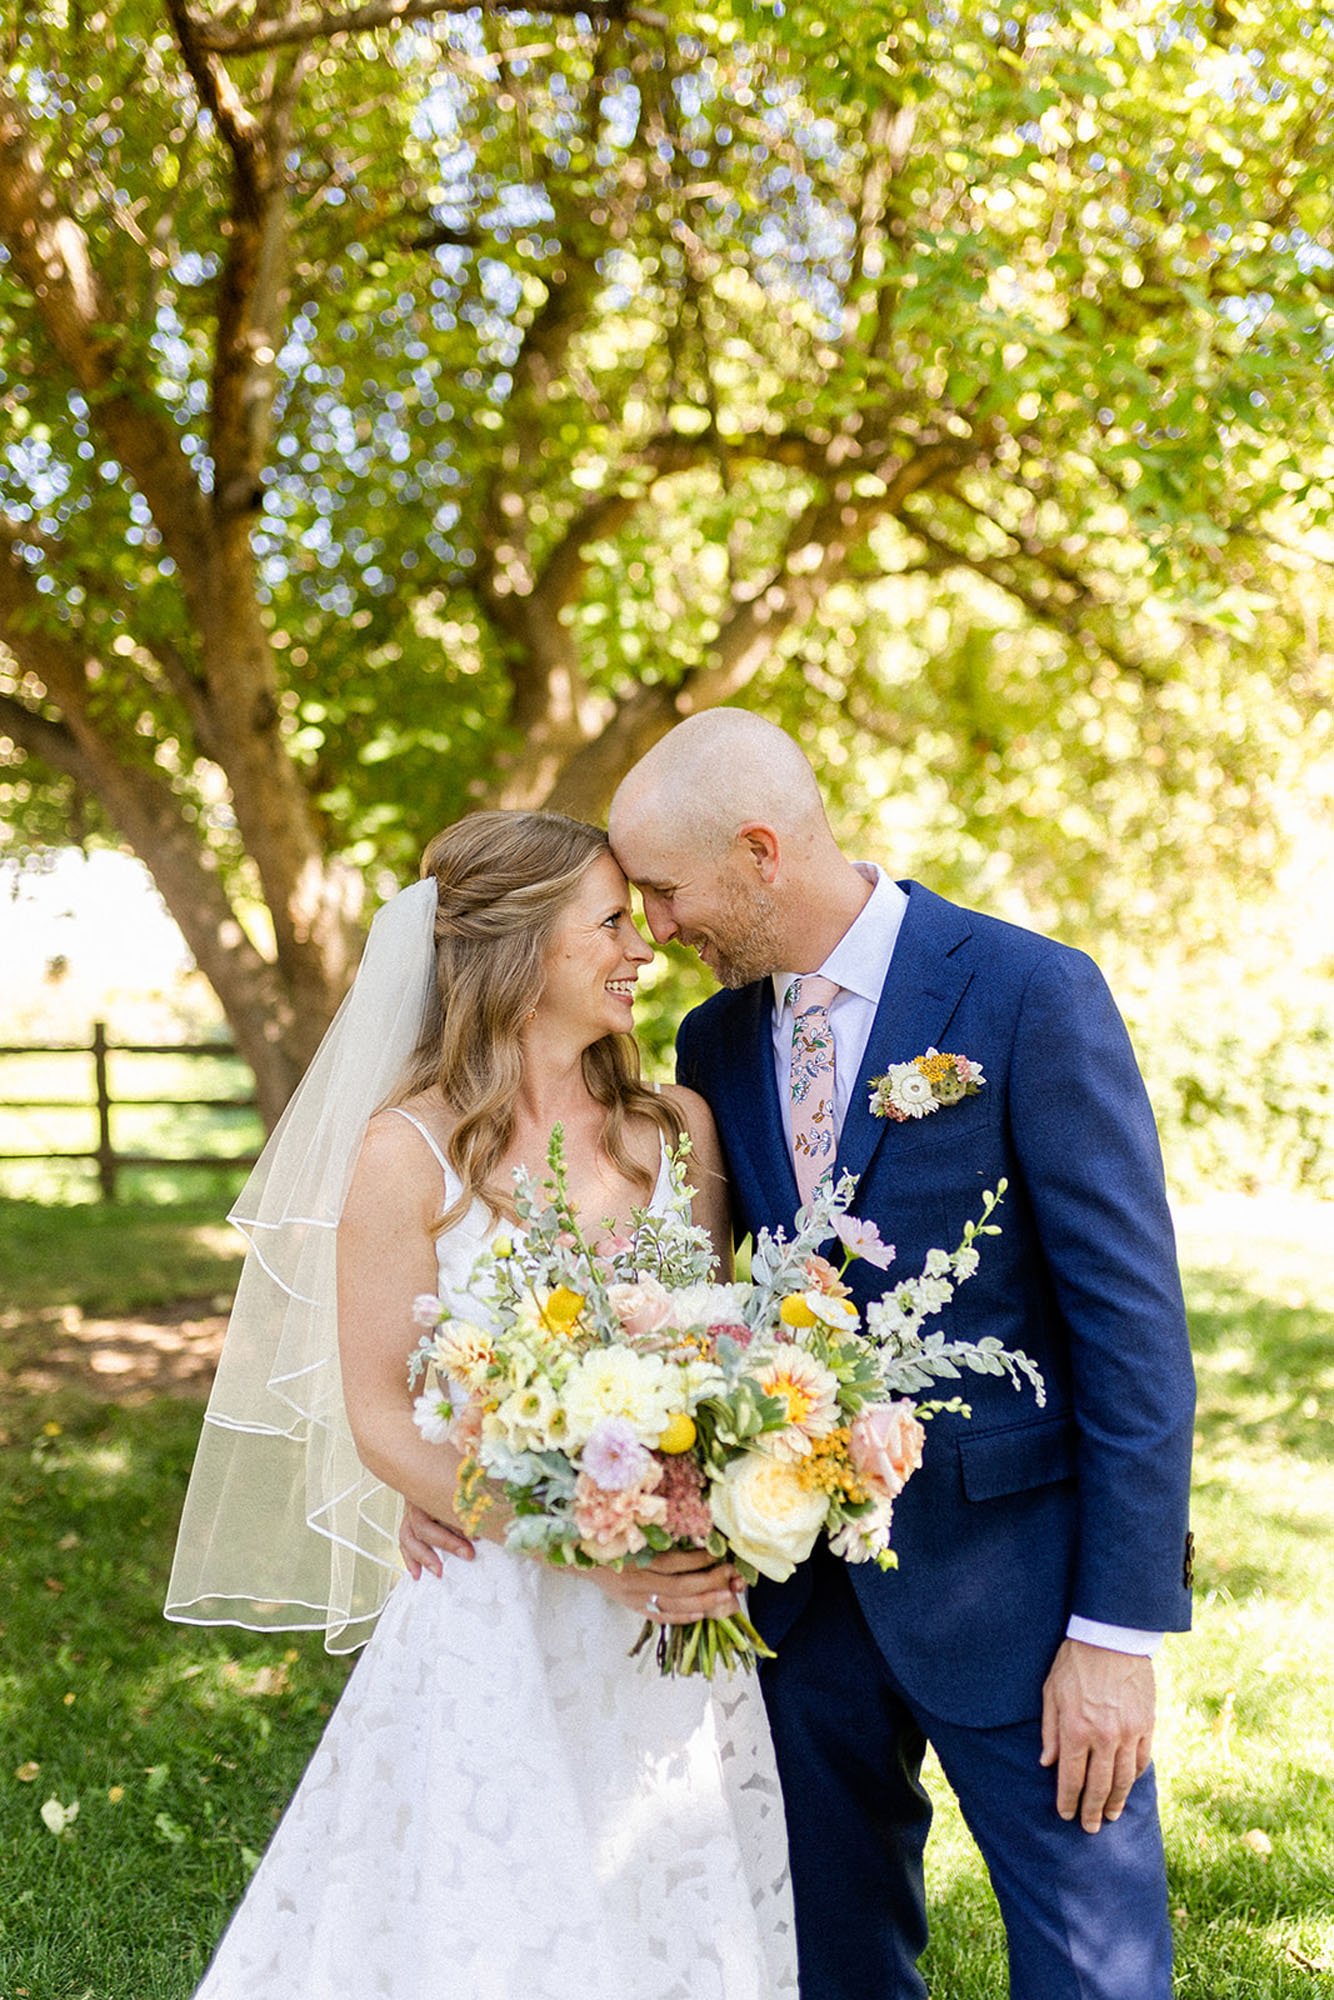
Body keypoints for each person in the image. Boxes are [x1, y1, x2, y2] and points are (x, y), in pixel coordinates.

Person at [606, 708, 1196, 2000]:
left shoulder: (1029, 993)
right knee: (831, 1964)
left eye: (662, 893)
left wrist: (1114, 1630)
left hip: (1024, 1601)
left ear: (759, 851)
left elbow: (1132, 1333)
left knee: (1089, 1969)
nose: (652, 930)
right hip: (801, 1602)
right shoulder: (712, 1045)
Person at [165, 809, 797, 2000]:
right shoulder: (407, 1153)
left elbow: (721, 1363)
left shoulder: (680, 1130)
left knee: (670, 1901)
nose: (641, 947)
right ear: (515, 949)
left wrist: (709, 1505)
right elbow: (381, 1418)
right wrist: (583, 1542)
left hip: (671, 1614)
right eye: (608, 922)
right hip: (494, 1605)